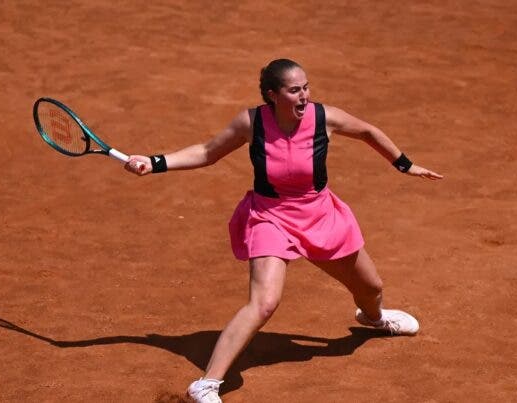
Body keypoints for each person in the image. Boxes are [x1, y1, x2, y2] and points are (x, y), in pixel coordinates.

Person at [124, 58, 443, 403]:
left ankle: (374, 318)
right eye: (294, 90)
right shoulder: (251, 123)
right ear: (273, 95)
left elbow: (367, 131)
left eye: (306, 87)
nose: (304, 96)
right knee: (264, 302)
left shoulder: (324, 118)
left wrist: (404, 165)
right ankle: (206, 384)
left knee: (371, 287)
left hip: (320, 215)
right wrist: (155, 163)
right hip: (270, 217)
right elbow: (206, 152)